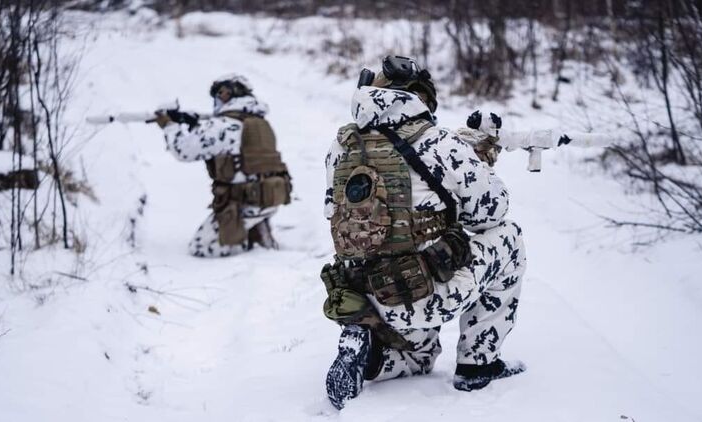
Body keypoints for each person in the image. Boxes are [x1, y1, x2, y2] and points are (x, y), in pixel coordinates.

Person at [320, 56, 526, 409]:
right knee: (509, 236)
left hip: (363, 296)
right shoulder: (442, 144)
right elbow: (490, 213)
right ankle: (478, 364)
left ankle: (370, 355)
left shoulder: (343, 145)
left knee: (421, 357)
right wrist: (479, 163)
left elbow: (331, 211)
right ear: (421, 97)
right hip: (421, 291)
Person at [156, 74, 291, 257]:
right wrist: (195, 126)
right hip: (269, 197)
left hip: (242, 203)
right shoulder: (259, 122)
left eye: (217, 95)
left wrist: (169, 125)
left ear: (226, 93)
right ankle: (255, 230)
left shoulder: (224, 124)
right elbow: (222, 148)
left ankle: (248, 246)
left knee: (200, 247)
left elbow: (184, 151)